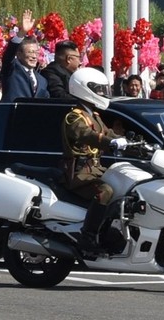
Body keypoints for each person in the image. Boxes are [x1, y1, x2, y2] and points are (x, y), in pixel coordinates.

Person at [61, 67, 127, 253]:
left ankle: (108, 233)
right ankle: (87, 236)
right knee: (105, 191)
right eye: (98, 89)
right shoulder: (74, 116)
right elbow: (85, 134)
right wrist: (110, 142)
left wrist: (134, 142)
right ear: (84, 88)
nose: (102, 93)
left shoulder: (94, 115)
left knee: (124, 186)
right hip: (79, 173)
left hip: (95, 170)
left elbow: (108, 132)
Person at [1, 9, 49, 101]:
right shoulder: (12, 69)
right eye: (30, 52)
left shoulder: (42, 80)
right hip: (12, 110)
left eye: (36, 52)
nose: (34, 56)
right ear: (19, 54)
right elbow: (9, 53)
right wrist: (22, 32)